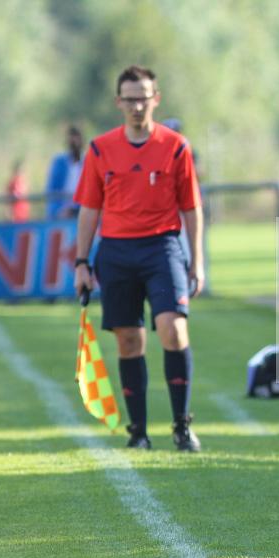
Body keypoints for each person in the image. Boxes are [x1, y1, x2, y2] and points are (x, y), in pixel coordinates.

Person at [73, 65, 204, 452]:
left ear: (155, 99)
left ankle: (181, 426)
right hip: (116, 252)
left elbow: (192, 208)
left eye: (143, 98)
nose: (136, 106)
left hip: (162, 248)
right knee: (129, 341)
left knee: (172, 329)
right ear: (119, 102)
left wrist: (197, 261)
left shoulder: (176, 146)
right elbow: (89, 209)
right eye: (129, 99)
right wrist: (81, 262)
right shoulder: (100, 149)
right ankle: (139, 432)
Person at [45, 125, 85, 219]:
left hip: (82, 209)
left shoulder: (87, 162)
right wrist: (59, 209)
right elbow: (52, 189)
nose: (74, 142)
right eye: (71, 139)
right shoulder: (59, 162)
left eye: (76, 138)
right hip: (62, 210)